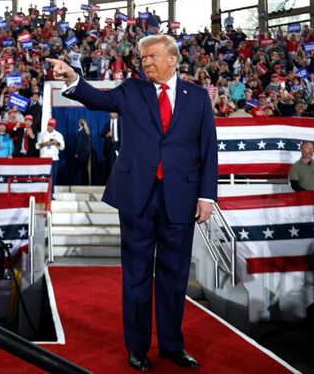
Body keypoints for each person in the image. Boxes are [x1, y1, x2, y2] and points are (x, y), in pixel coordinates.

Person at [47, 33, 218, 371]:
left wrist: (206, 195)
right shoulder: (131, 90)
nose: (146, 62)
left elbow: (208, 149)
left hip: (181, 199)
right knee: (136, 275)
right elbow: (96, 99)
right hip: (137, 196)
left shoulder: (197, 97)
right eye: (142, 58)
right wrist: (73, 79)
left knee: (174, 277)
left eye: (152, 56)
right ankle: (137, 347)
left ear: (172, 59)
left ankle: (171, 345)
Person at [36, 118, 65, 198]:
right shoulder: (41, 134)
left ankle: (51, 195)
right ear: (47, 125)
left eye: (52, 126)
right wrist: (45, 143)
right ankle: (42, 194)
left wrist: (57, 142)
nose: (50, 127)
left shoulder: (58, 135)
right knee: (43, 177)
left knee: (52, 177)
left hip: (54, 159)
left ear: (54, 126)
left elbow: (62, 147)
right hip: (43, 159)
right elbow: (37, 146)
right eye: (49, 125)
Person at [100, 112, 122, 178]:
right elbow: (102, 134)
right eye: (113, 113)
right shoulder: (107, 124)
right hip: (110, 146)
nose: (114, 114)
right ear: (110, 114)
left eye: (116, 113)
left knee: (120, 163)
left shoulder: (121, 123)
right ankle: (112, 180)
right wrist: (107, 134)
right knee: (111, 164)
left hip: (119, 145)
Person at [74, 118, 92, 185]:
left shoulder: (81, 132)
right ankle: (86, 182)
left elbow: (79, 143)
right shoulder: (87, 131)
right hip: (86, 152)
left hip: (82, 153)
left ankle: (84, 183)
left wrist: (76, 152)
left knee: (83, 168)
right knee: (85, 167)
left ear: (80, 124)